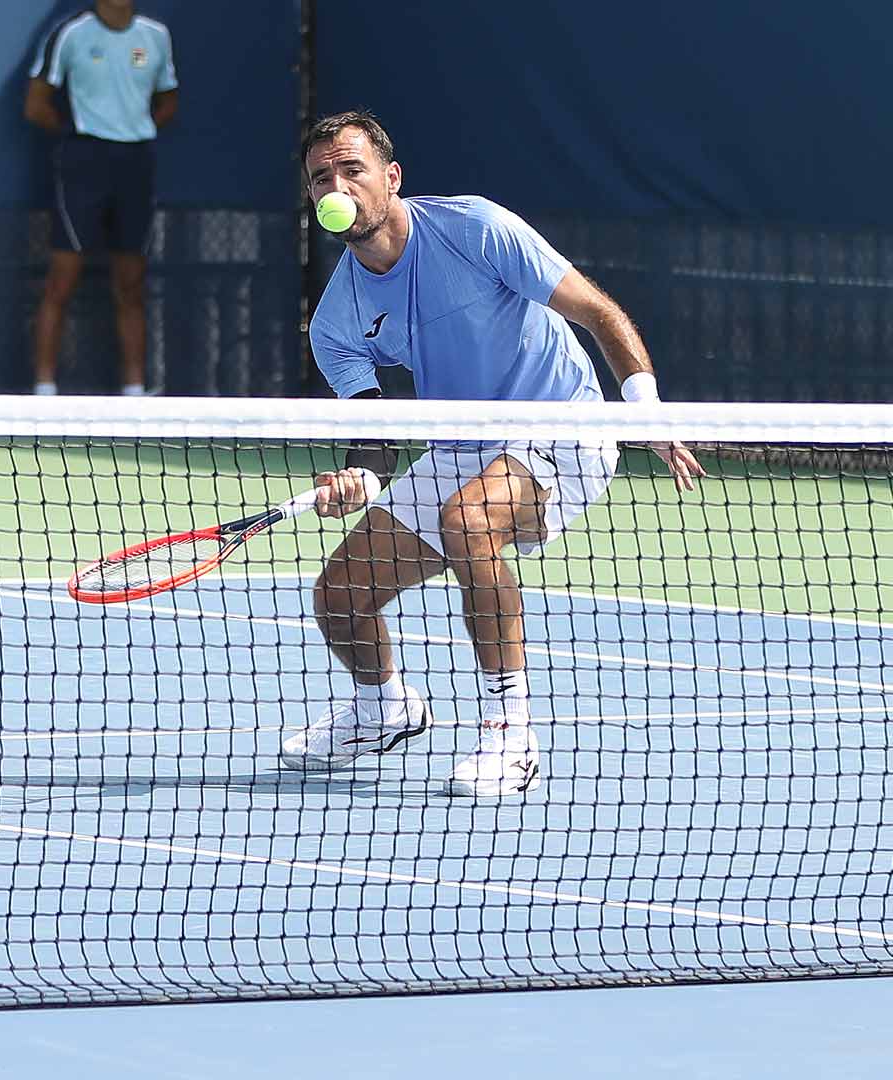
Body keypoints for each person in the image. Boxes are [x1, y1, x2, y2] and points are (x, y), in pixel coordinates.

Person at [280, 110, 705, 797]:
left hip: (561, 426)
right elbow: (374, 433)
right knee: (339, 596)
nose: (338, 184)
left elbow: (597, 310)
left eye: (352, 169)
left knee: (467, 521)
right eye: (322, 175)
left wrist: (645, 410)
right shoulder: (335, 320)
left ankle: (511, 731)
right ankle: (383, 708)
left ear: (391, 178)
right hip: (463, 443)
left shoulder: (474, 227)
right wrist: (360, 476)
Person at [24, 0, 178, 397]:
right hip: (83, 163)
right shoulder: (71, 33)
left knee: (131, 282)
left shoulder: (156, 36)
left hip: (136, 164)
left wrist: (132, 130)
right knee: (62, 278)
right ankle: (44, 390)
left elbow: (169, 100)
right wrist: (83, 136)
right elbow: (36, 103)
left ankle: (134, 391)